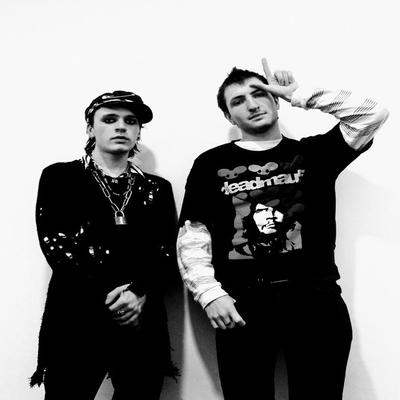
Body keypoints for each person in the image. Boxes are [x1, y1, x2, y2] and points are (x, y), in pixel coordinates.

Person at [177, 59, 389, 400]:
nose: (252, 104)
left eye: (259, 93)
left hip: (315, 300)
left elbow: (372, 113)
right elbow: (193, 235)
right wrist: (210, 293)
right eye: (238, 101)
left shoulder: (314, 154)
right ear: (229, 117)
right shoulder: (210, 163)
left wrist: (299, 94)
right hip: (242, 303)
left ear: (275, 101)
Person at [30, 90, 177, 400]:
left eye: (131, 121)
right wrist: (110, 295)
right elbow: (57, 245)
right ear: (90, 128)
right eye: (109, 119)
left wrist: (137, 293)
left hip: (140, 318)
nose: (121, 126)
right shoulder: (61, 177)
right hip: (76, 317)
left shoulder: (157, 188)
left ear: (138, 132)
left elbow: (166, 250)